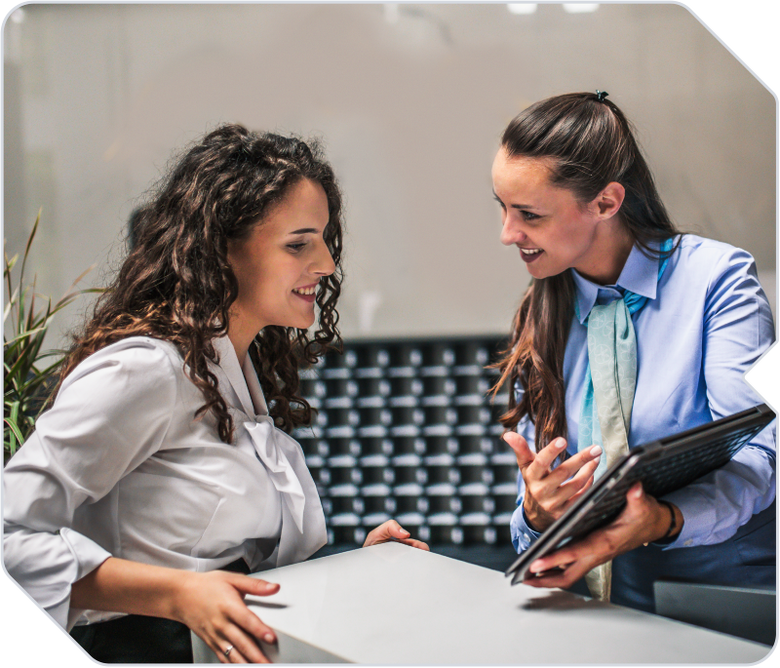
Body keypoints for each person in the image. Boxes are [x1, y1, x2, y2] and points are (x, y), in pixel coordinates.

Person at [3, 124, 427, 663]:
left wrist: (354, 566)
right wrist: (176, 594)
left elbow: (233, 570)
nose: (325, 264)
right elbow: (9, 534)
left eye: (323, 239)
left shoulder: (233, 371)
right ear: (220, 252)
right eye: (299, 243)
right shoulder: (145, 371)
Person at [490, 92, 775, 612]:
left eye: (529, 214)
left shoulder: (721, 280)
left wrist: (663, 520)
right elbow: (527, 533)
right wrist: (537, 514)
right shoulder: (541, 311)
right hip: (602, 611)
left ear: (606, 202)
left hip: (723, 601)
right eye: (503, 208)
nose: (507, 234)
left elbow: (763, 455)